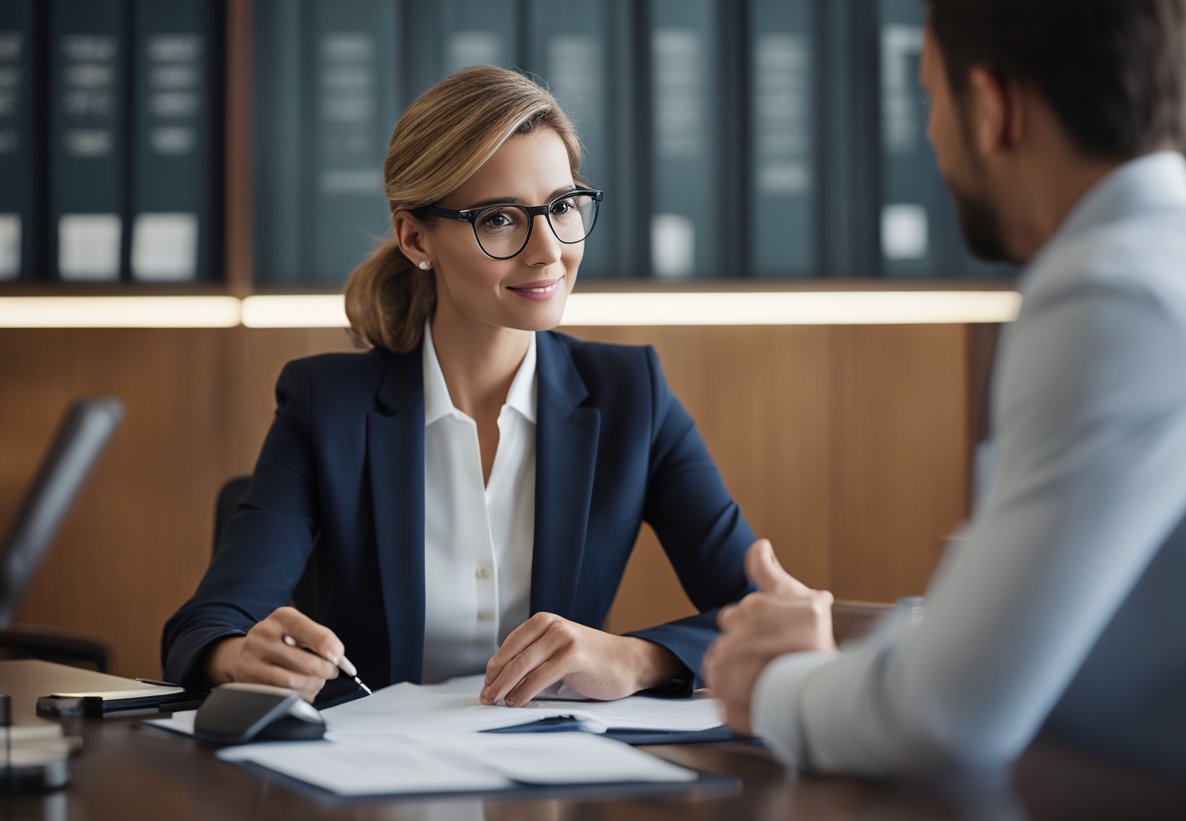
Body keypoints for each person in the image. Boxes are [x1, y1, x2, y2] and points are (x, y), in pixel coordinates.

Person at [706, 0, 1186, 788]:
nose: (931, 136)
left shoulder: (1112, 295)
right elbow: (1082, 620)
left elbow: (945, 717)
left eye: (929, 97)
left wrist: (771, 688)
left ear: (993, 107)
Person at [163, 66, 755, 705]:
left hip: (558, 782)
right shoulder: (325, 406)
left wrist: (637, 659)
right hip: (371, 784)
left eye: (561, 207)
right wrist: (240, 658)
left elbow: (762, 613)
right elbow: (206, 627)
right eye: (500, 219)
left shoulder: (629, 395)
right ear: (416, 237)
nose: (547, 250)